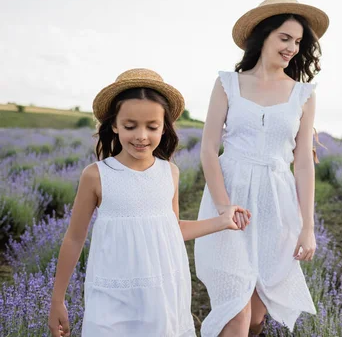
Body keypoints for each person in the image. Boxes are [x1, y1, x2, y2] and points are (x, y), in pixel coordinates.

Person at [48, 68, 251, 337]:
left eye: (152, 127)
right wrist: (57, 299)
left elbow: (172, 228)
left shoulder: (170, 173)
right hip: (112, 290)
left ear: (164, 127)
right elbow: (74, 238)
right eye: (130, 126)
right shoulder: (97, 175)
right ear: (114, 125)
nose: (141, 135)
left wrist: (222, 221)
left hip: (162, 288)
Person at [194, 0, 329, 336]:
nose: (292, 48)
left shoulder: (303, 93)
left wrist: (308, 226)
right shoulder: (228, 83)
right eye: (285, 38)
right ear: (263, 36)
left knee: (255, 315)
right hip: (230, 197)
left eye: (298, 42)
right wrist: (224, 208)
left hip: (275, 203)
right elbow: (209, 149)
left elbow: (303, 164)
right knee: (235, 309)